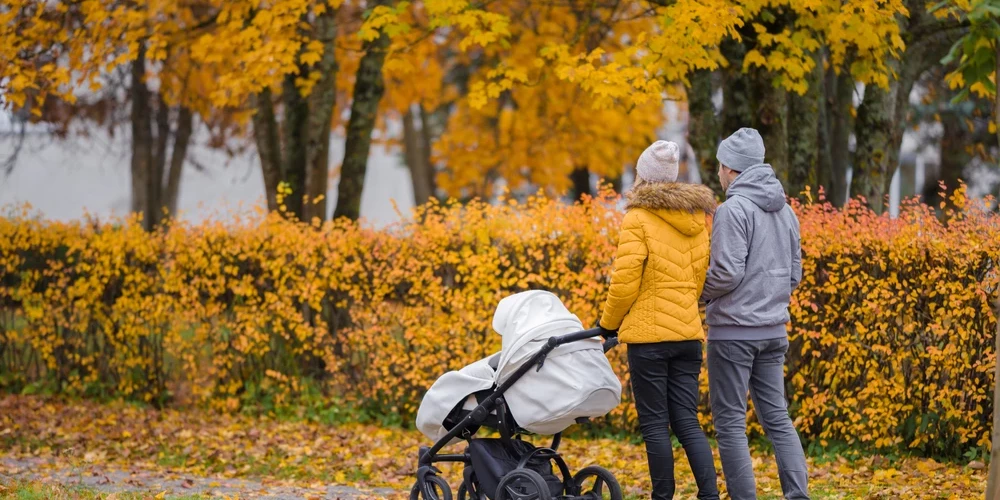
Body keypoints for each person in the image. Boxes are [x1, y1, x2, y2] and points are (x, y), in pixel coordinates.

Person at [599, 140, 720, 500]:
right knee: (686, 421)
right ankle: (710, 496)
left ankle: (662, 497)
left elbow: (624, 282)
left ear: (643, 177)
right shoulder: (697, 220)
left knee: (654, 424)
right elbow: (699, 277)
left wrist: (608, 325)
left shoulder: (637, 218)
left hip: (649, 340)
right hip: (686, 335)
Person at [702, 128, 809, 500]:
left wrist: (699, 294)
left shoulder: (733, 210)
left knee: (731, 424)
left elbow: (726, 272)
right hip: (774, 331)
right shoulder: (787, 211)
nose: (718, 172)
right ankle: (799, 495)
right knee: (777, 418)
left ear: (731, 169)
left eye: (720, 165)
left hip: (732, 333)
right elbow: (795, 273)